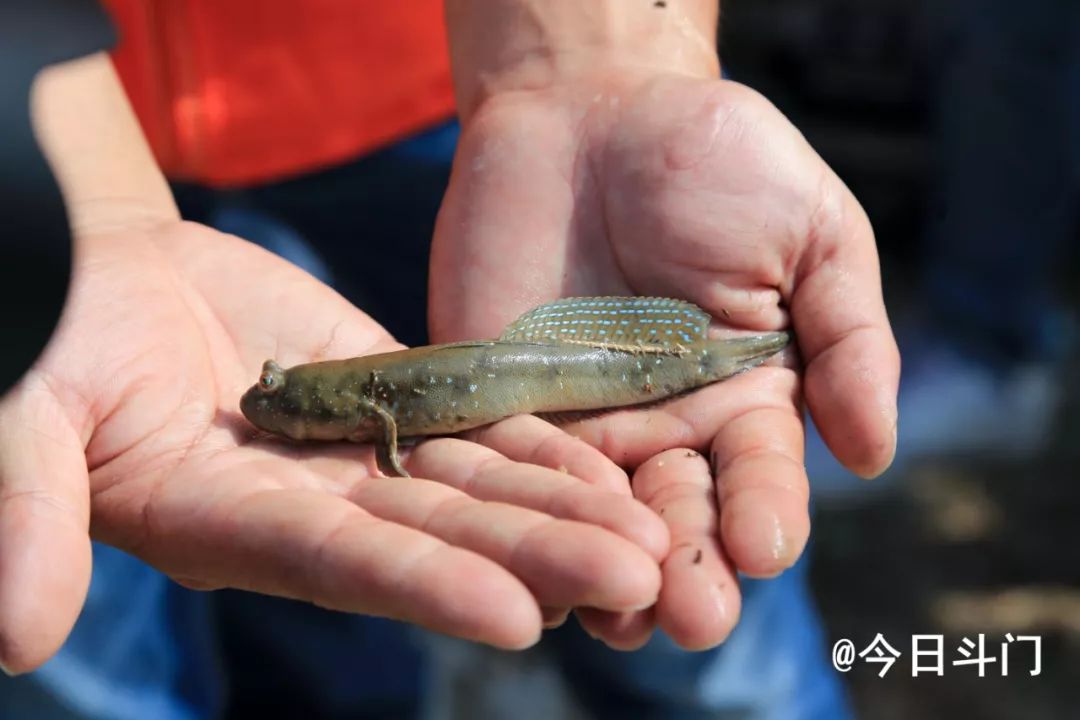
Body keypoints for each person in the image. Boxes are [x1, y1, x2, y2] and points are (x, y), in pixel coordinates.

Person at [0, 1, 900, 717]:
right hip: (56, 134)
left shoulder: (365, 407)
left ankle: (743, 356)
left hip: (434, 107)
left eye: (280, 398)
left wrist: (602, 53)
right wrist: (50, 191)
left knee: (684, 613)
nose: (266, 404)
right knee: (292, 615)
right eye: (276, 399)